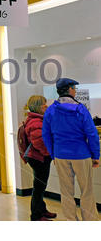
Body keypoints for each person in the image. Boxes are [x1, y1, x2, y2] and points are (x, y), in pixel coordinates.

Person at [42, 78, 100, 221]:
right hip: (81, 154)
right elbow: (92, 134)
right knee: (86, 191)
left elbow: (46, 135)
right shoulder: (81, 109)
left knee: (66, 191)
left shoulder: (50, 110)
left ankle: (70, 220)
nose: (75, 91)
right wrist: (96, 155)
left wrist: (53, 155)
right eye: (74, 88)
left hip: (61, 155)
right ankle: (90, 220)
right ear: (69, 90)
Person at [24, 95, 56, 221]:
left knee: (40, 186)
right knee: (39, 187)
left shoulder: (36, 119)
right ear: (38, 106)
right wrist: (49, 154)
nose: (46, 106)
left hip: (38, 157)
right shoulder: (36, 122)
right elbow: (40, 143)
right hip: (39, 158)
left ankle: (42, 210)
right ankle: (36, 215)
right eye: (44, 104)